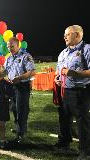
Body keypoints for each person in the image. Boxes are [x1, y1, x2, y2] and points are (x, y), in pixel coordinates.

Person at [55, 25, 90, 160]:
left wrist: (73, 73)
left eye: (68, 34)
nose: (64, 37)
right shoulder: (63, 53)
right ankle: (64, 142)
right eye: (65, 34)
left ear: (77, 35)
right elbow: (58, 70)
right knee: (64, 117)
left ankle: (85, 151)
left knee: (82, 122)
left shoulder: (87, 49)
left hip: (81, 91)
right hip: (65, 90)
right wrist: (57, 78)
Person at [4, 37, 36, 142]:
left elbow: (32, 72)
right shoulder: (9, 58)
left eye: (12, 46)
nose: (10, 49)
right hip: (11, 86)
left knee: (21, 110)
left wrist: (20, 78)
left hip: (22, 86)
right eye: (8, 47)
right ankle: (18, 126)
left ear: (18, 45)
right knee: (13, 108)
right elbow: (5, 71)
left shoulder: (25, 56)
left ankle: (21, 133)